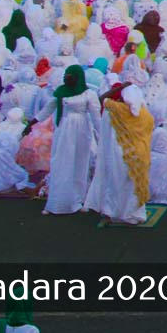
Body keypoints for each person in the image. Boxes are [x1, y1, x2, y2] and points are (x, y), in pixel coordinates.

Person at [86, 85, 152, 225]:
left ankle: (113, 212)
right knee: (134, 186)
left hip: (120, 153)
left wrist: (121, 87)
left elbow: (101, 99)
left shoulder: (116, 110)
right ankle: (134, 215)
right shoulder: (146, 114)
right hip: (140, 154)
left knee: (116, 183)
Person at [43, 65, 98, 215]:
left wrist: (101, 135)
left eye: (70, 75)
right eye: (66, 74)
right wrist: (32, 123)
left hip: (81, 130)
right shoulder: (61, 91)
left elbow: (95, 117)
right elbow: (48, 108)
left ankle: (77, 199)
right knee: (61, 162)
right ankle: (57, 202)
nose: (67, 77)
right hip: (64, 129)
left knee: (79, 163)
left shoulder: (88, 94)